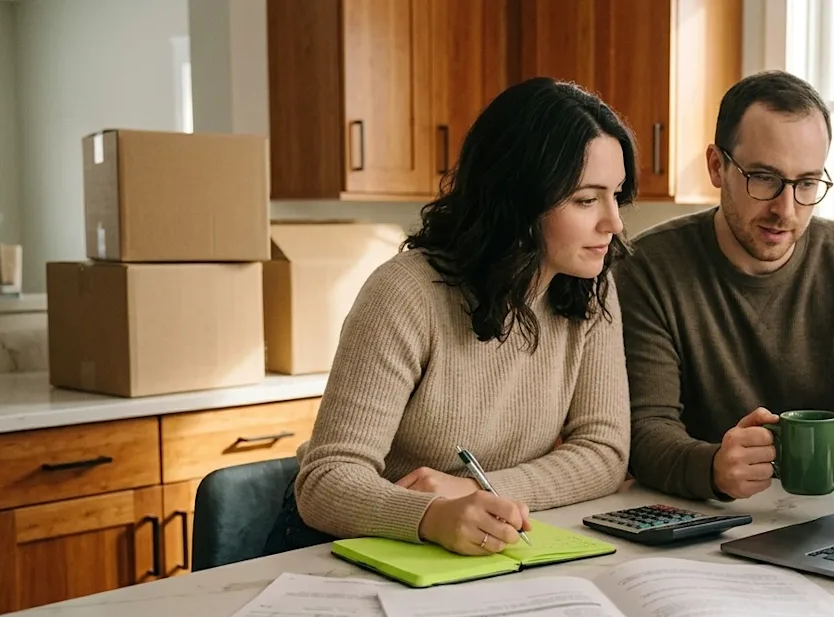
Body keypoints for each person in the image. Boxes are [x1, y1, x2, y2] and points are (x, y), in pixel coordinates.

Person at [265, 77, 636, 556]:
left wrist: (482, 491)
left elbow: (604, 454)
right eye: (586, 200)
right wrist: (432, 516)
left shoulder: (591, 287)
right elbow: (326, 481)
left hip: (473, 543)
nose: (614, 222)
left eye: (616, 195)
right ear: (519, 200)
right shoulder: (406, 292)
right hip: (342, 543)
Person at [614, 70, 834, 502]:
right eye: (764, 178)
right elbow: (646, 431)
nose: (786, 209)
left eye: (807, 183)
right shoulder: (647, 269)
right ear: (717, 166)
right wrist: (714, 467)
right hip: (705, 518)